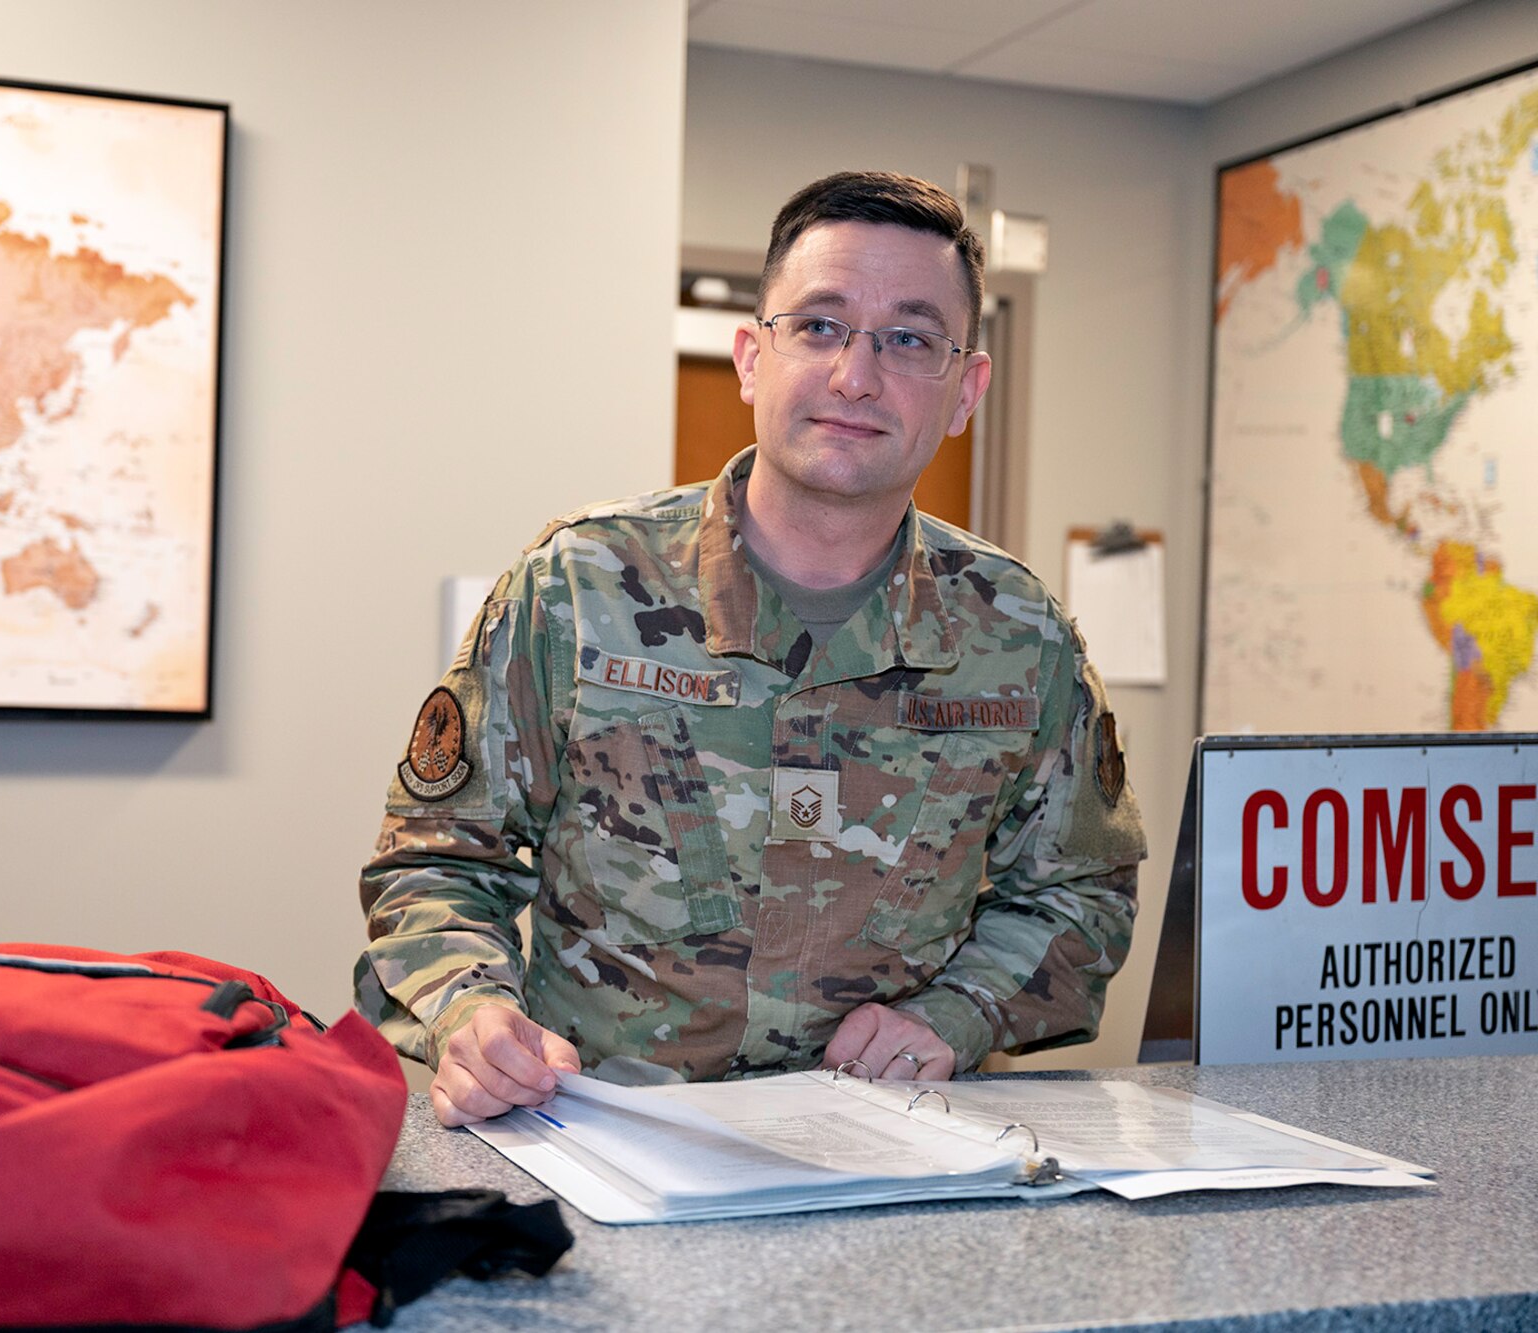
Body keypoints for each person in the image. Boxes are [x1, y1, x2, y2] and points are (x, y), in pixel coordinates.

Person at [357, 171, 1145, 1128]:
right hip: (608, 1142)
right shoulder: (580, 588)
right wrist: (468, 1009)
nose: (857, 375)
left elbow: (1081, 895)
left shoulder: (1021, 637)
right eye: (818, 326)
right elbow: (436, 860)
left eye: (909, 339)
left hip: (897, 1158)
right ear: (749, 358)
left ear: (966, 390)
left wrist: (962, 1012)